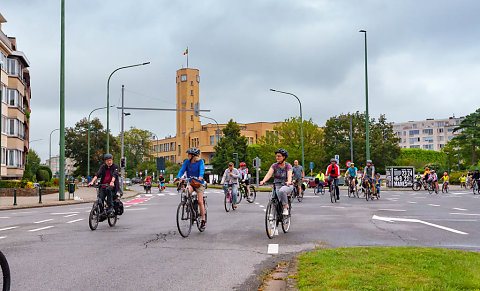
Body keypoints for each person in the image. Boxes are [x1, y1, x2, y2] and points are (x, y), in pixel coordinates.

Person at [175, 147, 207, 229]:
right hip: (191, 183)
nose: (188, 155)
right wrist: (178, 177)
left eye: (189, 154)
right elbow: (182, 170)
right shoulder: (186, 162)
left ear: (193, 155)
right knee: (186, 191)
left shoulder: (200, 162)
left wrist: (200, 176)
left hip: (199, 183)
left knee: (200, 201)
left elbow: (202, 170)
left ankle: (203, 220)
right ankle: (188, 205)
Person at [260, 149, 293, 216]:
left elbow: (289, 174)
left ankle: (285, 208)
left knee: (282, 191)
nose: (277, 158)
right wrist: (263, 181)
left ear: (284, 157)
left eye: (279, 156)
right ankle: (274, 217)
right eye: (276, 156)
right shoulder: (274, 166)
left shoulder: (288, 165)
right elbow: (269, 174)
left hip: (287, 185)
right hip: (277, 185)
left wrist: (289, 181)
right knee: (276, 200)